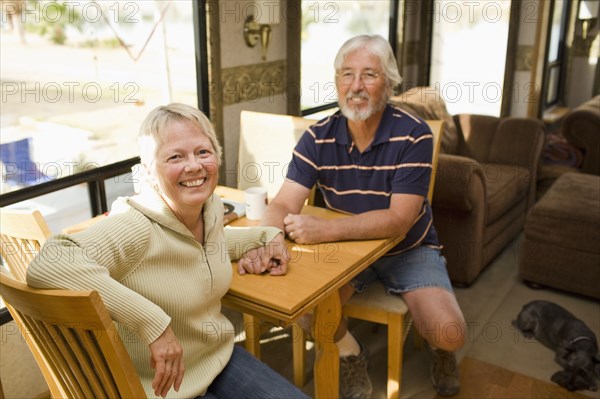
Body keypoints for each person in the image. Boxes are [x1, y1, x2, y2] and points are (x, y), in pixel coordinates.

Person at [239, 35, 466, 398]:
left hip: (408, 248)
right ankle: (351, 354)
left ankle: (441, 352)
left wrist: (324, 230)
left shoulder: (414, 136)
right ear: (336, 83)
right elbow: (283, 204)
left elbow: (399, 221)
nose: (356, 86)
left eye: (369, 75)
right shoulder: (318, 136)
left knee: (450, 333)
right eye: (347, 75)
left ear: (388, 84)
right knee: (297, 302)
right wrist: (268, 241)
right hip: (347, 252)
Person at [26, 103, 305, 399]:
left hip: (217, 358)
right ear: (148, 171)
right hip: (160, 385)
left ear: (217, 156)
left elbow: (207, 246)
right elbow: (49, 262)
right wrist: (153, 324)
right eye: (175, 157)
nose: (194, 166)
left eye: (203, 152)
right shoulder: (135, 224)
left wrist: (268, 235)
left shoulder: (208, 209)